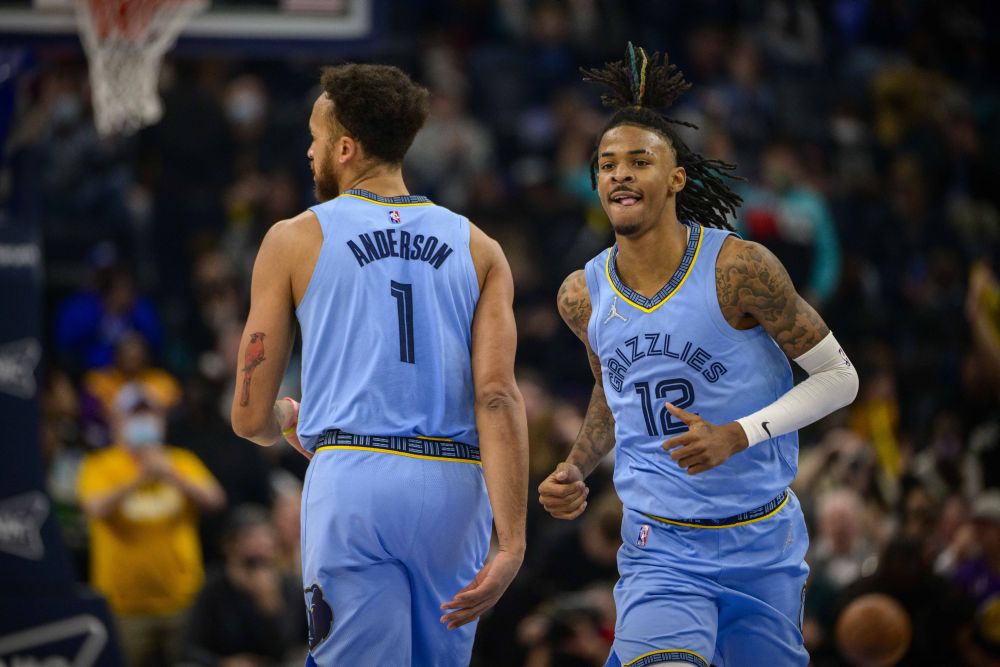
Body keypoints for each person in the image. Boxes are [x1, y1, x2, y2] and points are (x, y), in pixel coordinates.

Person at [538, 44, 859, 667]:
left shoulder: (738, 269)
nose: (620, 174)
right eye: (607, 164)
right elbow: (612, 393)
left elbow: (839, 378)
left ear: (676, 179)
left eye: (640, 161)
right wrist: (576, 465)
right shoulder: (581, 294)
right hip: (659, 547)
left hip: (762, 541)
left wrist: (739, 434)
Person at [230, 63, 529, 666]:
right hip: (455, 487)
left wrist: (284, 418)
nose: (309, 151)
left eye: (315, 138)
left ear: (344, 148)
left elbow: (249, 416)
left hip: (354, 476)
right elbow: (497, 396)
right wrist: (513, 541)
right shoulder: (480, 247)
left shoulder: (294, 238)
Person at [77, 383, 225, 667]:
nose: (143, 421)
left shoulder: (180, 460)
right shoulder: (99, 464)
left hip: (182, 600)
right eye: (134, 415)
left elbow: (215, 500)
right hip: (124, 607)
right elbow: (93, 508)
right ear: (117, 421)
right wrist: (139, 479)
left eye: (150, 414)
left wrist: (170, 474)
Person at [180, 504, 308, 666]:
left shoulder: (289, 586)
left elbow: (291, 648)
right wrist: (223, 663)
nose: (260, 545)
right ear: (230, 546)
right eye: (251, 538)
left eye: (266, 538)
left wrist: (271, 607)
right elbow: (188, 648)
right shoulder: (213, 588)